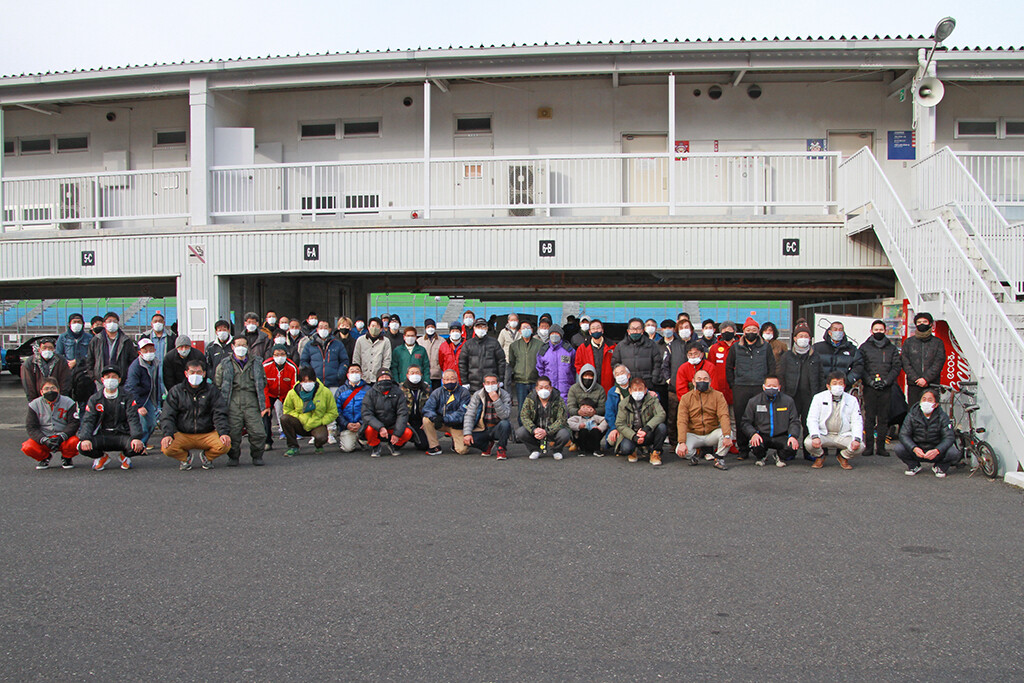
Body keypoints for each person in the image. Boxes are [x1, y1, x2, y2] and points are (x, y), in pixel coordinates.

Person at [159, 360, 231, 470]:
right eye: (192, 372)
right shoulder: (176, 391)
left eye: (198, 372)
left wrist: (223, 433)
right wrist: (167, 433)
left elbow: (219, 413)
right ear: (186, 374)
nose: (195, 375)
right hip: (183, 433)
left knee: (225, 445)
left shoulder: (212, 390)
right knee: (167, 447)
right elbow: (168, 415)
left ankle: (206, 457)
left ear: (204, 374)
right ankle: (185, 458)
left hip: (206, 433)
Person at [725, 316, 776, 460]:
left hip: (760, 386)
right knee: (741, 418)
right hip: (741, 387)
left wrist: (769, 384)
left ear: (758, 331)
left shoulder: (766, 346)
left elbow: (772, 366)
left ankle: (760, 448)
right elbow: (729, 367)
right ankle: (743, 449)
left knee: (760, 418)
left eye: (754, 329)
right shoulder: (736, 347)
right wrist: (733, 384)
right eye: (748, 329)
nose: (751, 332)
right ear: (744, 331)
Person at [76, 365, 145, 471]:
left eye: (114, 377)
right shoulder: (95, 399)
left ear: (119, 380)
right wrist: (85, 438)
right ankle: (101, 457)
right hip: (102, 435)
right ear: (102, 380)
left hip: (122, 435)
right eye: (107, 377)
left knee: (139, 446)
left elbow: (133, 418)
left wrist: (136, 437)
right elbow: (88, 420)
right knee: (81, 446)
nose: (110, 379)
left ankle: (125, 456)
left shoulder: (128, 397)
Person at [214, 336, 270, 466]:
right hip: (232, 400)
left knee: (258, 432)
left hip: (251, 401)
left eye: (244, 345)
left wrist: (262, 404)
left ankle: (257, 456)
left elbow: (263, 382)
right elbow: (218, 384)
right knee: (233, 433)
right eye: (238, 345)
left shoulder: (256, 363)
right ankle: (233, 457)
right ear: (232, 347)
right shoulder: (224, 364)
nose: (241, 348)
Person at [857, 320, 902, 456]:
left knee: (883, 418)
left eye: (881, 330)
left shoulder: (891, 348)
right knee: (869, 417)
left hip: (886, 387)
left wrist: (887, 381)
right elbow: (861, 366)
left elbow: (896, 367)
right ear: (871, 331)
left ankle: (881, 447)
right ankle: (869, 446)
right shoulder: (864, 347)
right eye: (876, 330)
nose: (878, 332)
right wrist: (869, 381)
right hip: (869, 387)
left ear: (885, 331)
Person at [777, 319, 822, 452]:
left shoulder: (815, 356)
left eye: (806, 336)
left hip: (810, 395)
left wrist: (819, 393)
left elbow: (821, 376)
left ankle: (810, 452)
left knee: (809, 423)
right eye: (800, 336)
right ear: (795, 338)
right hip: (792, 395)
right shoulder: (787, 356)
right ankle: (789, 450)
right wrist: (783, 394)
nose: (803, 339)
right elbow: (781, 376)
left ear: (810, 339)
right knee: (790, 423)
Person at [804, 371, 865, 469]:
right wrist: (815, 436)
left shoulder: (852, 400)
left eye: (840, 383)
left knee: (860, 446)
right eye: (835, 383)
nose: (838, 386)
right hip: (824, 434)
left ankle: (843, 456)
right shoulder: (818, 398)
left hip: (843, 435)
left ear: (844, 385)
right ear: (828, 386)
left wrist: (857, 439)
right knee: (809, 443)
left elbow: (857, 421)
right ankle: (820, 456)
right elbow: (812, 419)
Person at [675, 369, 731, 471]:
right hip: (693, 433)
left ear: (710, 381)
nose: (702, 381)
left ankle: (719, 458)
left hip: (711, 433)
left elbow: (724, 416)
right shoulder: (686, 398)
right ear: (693, 381)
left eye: (705, 379)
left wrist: (727, 435)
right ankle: (694, 455)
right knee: (679, 450)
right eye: (699, 379)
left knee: (727, 433)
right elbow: (682, 421)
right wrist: (682, 442)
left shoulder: (718, 396)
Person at [895, 389, 958, 478]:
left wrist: (937, 450)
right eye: (923, 399)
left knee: (953, 452)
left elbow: (949, 437)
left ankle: (940, 467)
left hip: (935, 450)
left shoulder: (942, 416)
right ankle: (913, 465)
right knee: (899, 448)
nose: (926, 402)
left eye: (930, 400)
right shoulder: (912, 415)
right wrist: (914, 448)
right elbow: (904, 434)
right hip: (917, 449)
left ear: (936, 404)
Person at [741, 375, 801, 467]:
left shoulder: (788, 401)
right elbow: (745, 422)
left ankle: (779, 456)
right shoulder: (754, 401)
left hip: (781, 435)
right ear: (763, 387)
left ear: (779, 387)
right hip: (762, 435)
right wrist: (753, 434)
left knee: (792, 447)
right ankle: (762, 456)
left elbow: (794, 421)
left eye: (774, 386)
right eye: (769, 386)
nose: (771, 388)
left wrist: (793, 436)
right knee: (755, 445)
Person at [22, 377, 80, 470]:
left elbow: (74, 423)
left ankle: (67, 458)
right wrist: (44, 440)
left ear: (58, 389)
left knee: (75, 442)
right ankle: (44, 458)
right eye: (46, 389)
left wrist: (62, 437)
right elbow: (31, 427)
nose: (50, 391)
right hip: (44, 437)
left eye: (53, 388)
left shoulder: (69, 402)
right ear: (41, 392)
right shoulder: (34, 405)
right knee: (27, 447)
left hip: (63, 437)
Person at [281, 366, 339, 456]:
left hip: (317, 423)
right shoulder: (292, 393)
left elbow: (333, 412)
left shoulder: (325, 392)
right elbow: (287, 409)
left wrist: (321, 421)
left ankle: (318, 445)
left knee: (321, 437)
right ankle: (293, 446)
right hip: (300, 422)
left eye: (310, 381)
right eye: (304, 381)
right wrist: (300, 417)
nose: (307, 383)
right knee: (284, 419)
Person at [361, 368, 414, 457]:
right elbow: (366, 414)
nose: (384, 379)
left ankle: (394, 445)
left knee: (408, 432)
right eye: (382, 377)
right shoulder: (370, 393)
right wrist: (380, 427)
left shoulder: (398, 392)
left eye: (387, 377)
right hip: (376, 426)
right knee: (368, 429)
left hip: (393, 425)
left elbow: (402, 413)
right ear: (377, 379)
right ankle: (375, 446)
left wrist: (397, 433)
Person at [615, 376, 668, 465]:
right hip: (631, 434)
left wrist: (646, 429)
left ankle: (655, 452)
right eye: (635, 390)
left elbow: (661, 414)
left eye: (640, 389)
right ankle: (633, 451)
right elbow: (620, 424)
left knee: (662, 427)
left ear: (645, 390)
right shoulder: (623, 404)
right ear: (630, 391)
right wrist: (634, 436)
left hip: (647, 432)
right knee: (625, 449)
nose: (637, 392)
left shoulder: (652, 400)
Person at [517, 376, 570, 460]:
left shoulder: (558, 399)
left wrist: (547, 431)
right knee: (521, 432)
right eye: (541, 387)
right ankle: (534, 449)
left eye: (546, 387)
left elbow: (562, 419)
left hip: (552, 430)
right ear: (536, 389)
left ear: (551, 388)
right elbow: (524, 416)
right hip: (536, 430)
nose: (543, 390)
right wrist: (534, 429)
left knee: (564, 434)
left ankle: (557, 450)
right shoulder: (530, 399)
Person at [462, 374, 513, 459]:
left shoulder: (505, 395)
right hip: (482, 428)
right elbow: (470, 414)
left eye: (493, 383)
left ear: (498, 384)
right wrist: (467, 433)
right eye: (488, 383)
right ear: (484, 384)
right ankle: (487, 446)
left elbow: (505, 415)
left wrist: (496, 400)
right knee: (469, 440)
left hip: (497, 427)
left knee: (505, 424)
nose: (490, 385)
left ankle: (501, 448)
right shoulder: (478, 395)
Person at [422, 369, 473, 454]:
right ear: (443, 380)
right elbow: (427, 408)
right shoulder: (437, 392)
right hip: (441, 422)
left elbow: (462, 413)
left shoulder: (464, 393)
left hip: (456, 424)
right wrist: (435, 418)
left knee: (462, 450)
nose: (450, 381)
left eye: (452, 378)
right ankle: (434, 446)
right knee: (426, 420)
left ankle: (455, 441)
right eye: (447, 379)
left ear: (457, 380)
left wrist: (444, 418)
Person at [902, 312, 946, 407]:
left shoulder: (937, 343)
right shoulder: (908, 342)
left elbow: (939, 362)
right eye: (919, 322)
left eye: (925, 322)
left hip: (932, 384)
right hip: (914, 384)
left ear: (930, 324)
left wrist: (926, 378)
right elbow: (905, 362)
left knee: (931, 410)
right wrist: (916, 379)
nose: (922, 324)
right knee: (914, 410)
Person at [506, 319, 543, 422]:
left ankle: (535, 430)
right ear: (519, 331)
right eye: (523, 328)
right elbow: (512, 362)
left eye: (528, 328)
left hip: (535, 381)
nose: (526, 330)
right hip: (520, 381)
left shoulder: (539, 344)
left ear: (532, 330)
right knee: (522, 407)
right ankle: (522, 432)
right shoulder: (514, 346)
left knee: (535, 407)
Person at [124, 339, 161, 443]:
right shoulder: (135, 366)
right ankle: (140, 445)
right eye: (145, 350)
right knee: (142, 425)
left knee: (152, 424)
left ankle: (143, 442)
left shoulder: (156, 363)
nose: (149, 352)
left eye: (151, 349)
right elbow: (131, 387)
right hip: (138, 398)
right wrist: (139, 406)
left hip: (149, 397)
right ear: (140, 352)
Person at [85, 312, 137, 387]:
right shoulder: (96, 340)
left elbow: (132, 360)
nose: (112, 323)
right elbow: (90, 360)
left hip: (121, 381)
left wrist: (126, 377)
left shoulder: (126, 341)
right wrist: (94, 377)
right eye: (109, 321)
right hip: (101, 381)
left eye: (115, 321)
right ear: (104, 324)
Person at [263, 344, 298, 450]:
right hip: (270, 393)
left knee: (290, 416)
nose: (280, 357)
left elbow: (294, 387)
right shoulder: (265, 366)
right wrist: (267, 406)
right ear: (272, 355)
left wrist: (292, 404)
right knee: (265, 415)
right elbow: (263, 387)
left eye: (282, 354)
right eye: (277, 354)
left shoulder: (292, 367)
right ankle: (267, 441)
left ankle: (292, 442)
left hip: (286, 393)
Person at [567, 363, 606, 456]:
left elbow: (603, 407)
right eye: (585, 375)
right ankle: (577, 443)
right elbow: (570, 407)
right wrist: (578, 412)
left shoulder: (600, 389)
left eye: (590, 375)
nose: (588, 378)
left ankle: (596, 446)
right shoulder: (573, 389)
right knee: (571, 425)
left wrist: (594, 412)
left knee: (603, 424)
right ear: (581, 376)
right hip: (579, 419)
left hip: (594, 419)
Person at [301, 319, 350, 394]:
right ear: (317, 330)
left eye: (325, 327)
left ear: (330, 330)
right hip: (315, 383)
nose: (323, 329)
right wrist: (311, 374)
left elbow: (344, 360)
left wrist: (339, 374)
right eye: (321, 327)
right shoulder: (309, 345)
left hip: (333, 384)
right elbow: (304, 361)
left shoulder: (337, 344)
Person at [611, 318, 662, 388]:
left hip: (647, 383)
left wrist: (654, 379)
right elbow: (615, 364)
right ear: (628, 331)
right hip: (627, 383)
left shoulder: (651, 345)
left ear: (642, 331)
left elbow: (658, 363)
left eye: (638, 329)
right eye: (632, 329)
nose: (635, 331)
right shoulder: (620, 346)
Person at [459, 318, 507, 393]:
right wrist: (464, 381)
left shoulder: (494, 343)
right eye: (478, 327)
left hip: (491, 384)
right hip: (473, 384)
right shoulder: (468, 344)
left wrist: (500, 379)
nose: (481, 329)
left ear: (487, 328)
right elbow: (462, 363)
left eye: (483, 327)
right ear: (474, 328)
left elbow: (501, 361)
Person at [401, 365, 440, 455]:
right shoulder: (400, 389)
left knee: (424, 445)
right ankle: (406, 437)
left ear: (421, 375)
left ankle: (416, 438)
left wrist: (426, 421)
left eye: (417, 373)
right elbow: (396, 408)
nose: (415, 375)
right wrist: (403, 421)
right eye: (412, 373)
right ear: (407, 375)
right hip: (405, 420)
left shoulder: (427, 388)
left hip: (420, 420)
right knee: (396, 444)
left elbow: (433, 406)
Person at [813, 321, 859, 390]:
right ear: (829, 332)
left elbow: (858, 366)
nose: (838, 332)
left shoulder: (851, 349)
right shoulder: (817, 348)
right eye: (835, 329)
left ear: (843, 333)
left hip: (843, 388)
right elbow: (812, 367)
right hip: (822, 388)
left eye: (840, 330)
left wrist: (848, 381)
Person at [335, 364, 370, 453]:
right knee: (348, 448)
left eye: (357, 371)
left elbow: (371, 410)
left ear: (361, 374)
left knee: (369, 439)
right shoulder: (341, 390)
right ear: (347, 375)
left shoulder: (368, 390)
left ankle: (362, 439)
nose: (355, 373)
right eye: (352, 372)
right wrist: (346, 424)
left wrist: (361, 423)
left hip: (363, 425)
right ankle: (352, 438)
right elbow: (336, 411)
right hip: (347, 426)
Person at [573, 319, 614, 392]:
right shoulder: (582, 348)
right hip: (590, 384)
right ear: (590, 332)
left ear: (602, 330)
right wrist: (586, 378)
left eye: (598, 328)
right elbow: (578, 365)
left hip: (608, 384)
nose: (596, 330)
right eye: (593, 328)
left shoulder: (612, 347)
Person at [535, 324, 575, 398]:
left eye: (556, 333)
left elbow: (573, 367)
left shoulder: (569, 350)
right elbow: (540, 368)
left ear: (561, 335)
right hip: (549, 388)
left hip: (566, 387)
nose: (554, 335)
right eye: (552, 333)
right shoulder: (543, 351)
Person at [140, 312, 176, 391]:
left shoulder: (172, 337)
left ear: (164, 323)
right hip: (150, 372)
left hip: (167, 373)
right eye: (155, 321)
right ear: (151, 324)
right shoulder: (145, 336)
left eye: (160, 321)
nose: (158, 323)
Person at [603, 364, 632, 456]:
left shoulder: (636, 387)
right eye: (617, 374)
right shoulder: (612, 392)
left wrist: (653, 393)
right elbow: (609, 413)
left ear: (628, 375)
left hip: (634, 424)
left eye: (622, 373)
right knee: (613, 441)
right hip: (619, 425)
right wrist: (614, 428)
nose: (620, 376)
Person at [352, 317, 392, 383]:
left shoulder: (385, 341)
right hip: (363, 378)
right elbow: (356, 358)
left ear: (381, 329)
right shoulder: (360, 340)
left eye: (377, 326)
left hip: (378, 379)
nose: (374, 328)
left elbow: (387, 360)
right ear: (368, 327)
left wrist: (382, 375)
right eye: (372, 326)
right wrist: (357, 373)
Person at [417, 319, 443, 390]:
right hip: (424, 374)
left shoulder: (442, 341)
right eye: (428, 327)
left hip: (437, 374)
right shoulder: (420, 341)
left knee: (436, 394)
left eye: (432, 326)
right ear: (425, 328)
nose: (430, 329)